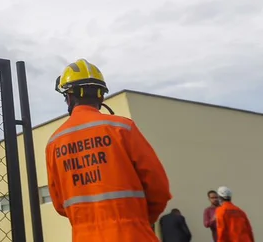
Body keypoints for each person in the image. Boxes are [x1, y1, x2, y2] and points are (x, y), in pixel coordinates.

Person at [45, 58, 172, 241]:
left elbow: (59, 204)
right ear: (101, 96)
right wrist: (138, 221)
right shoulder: (123, 128)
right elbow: (159, 188)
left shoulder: (54, 143)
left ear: (70, 97)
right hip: (133, 234)